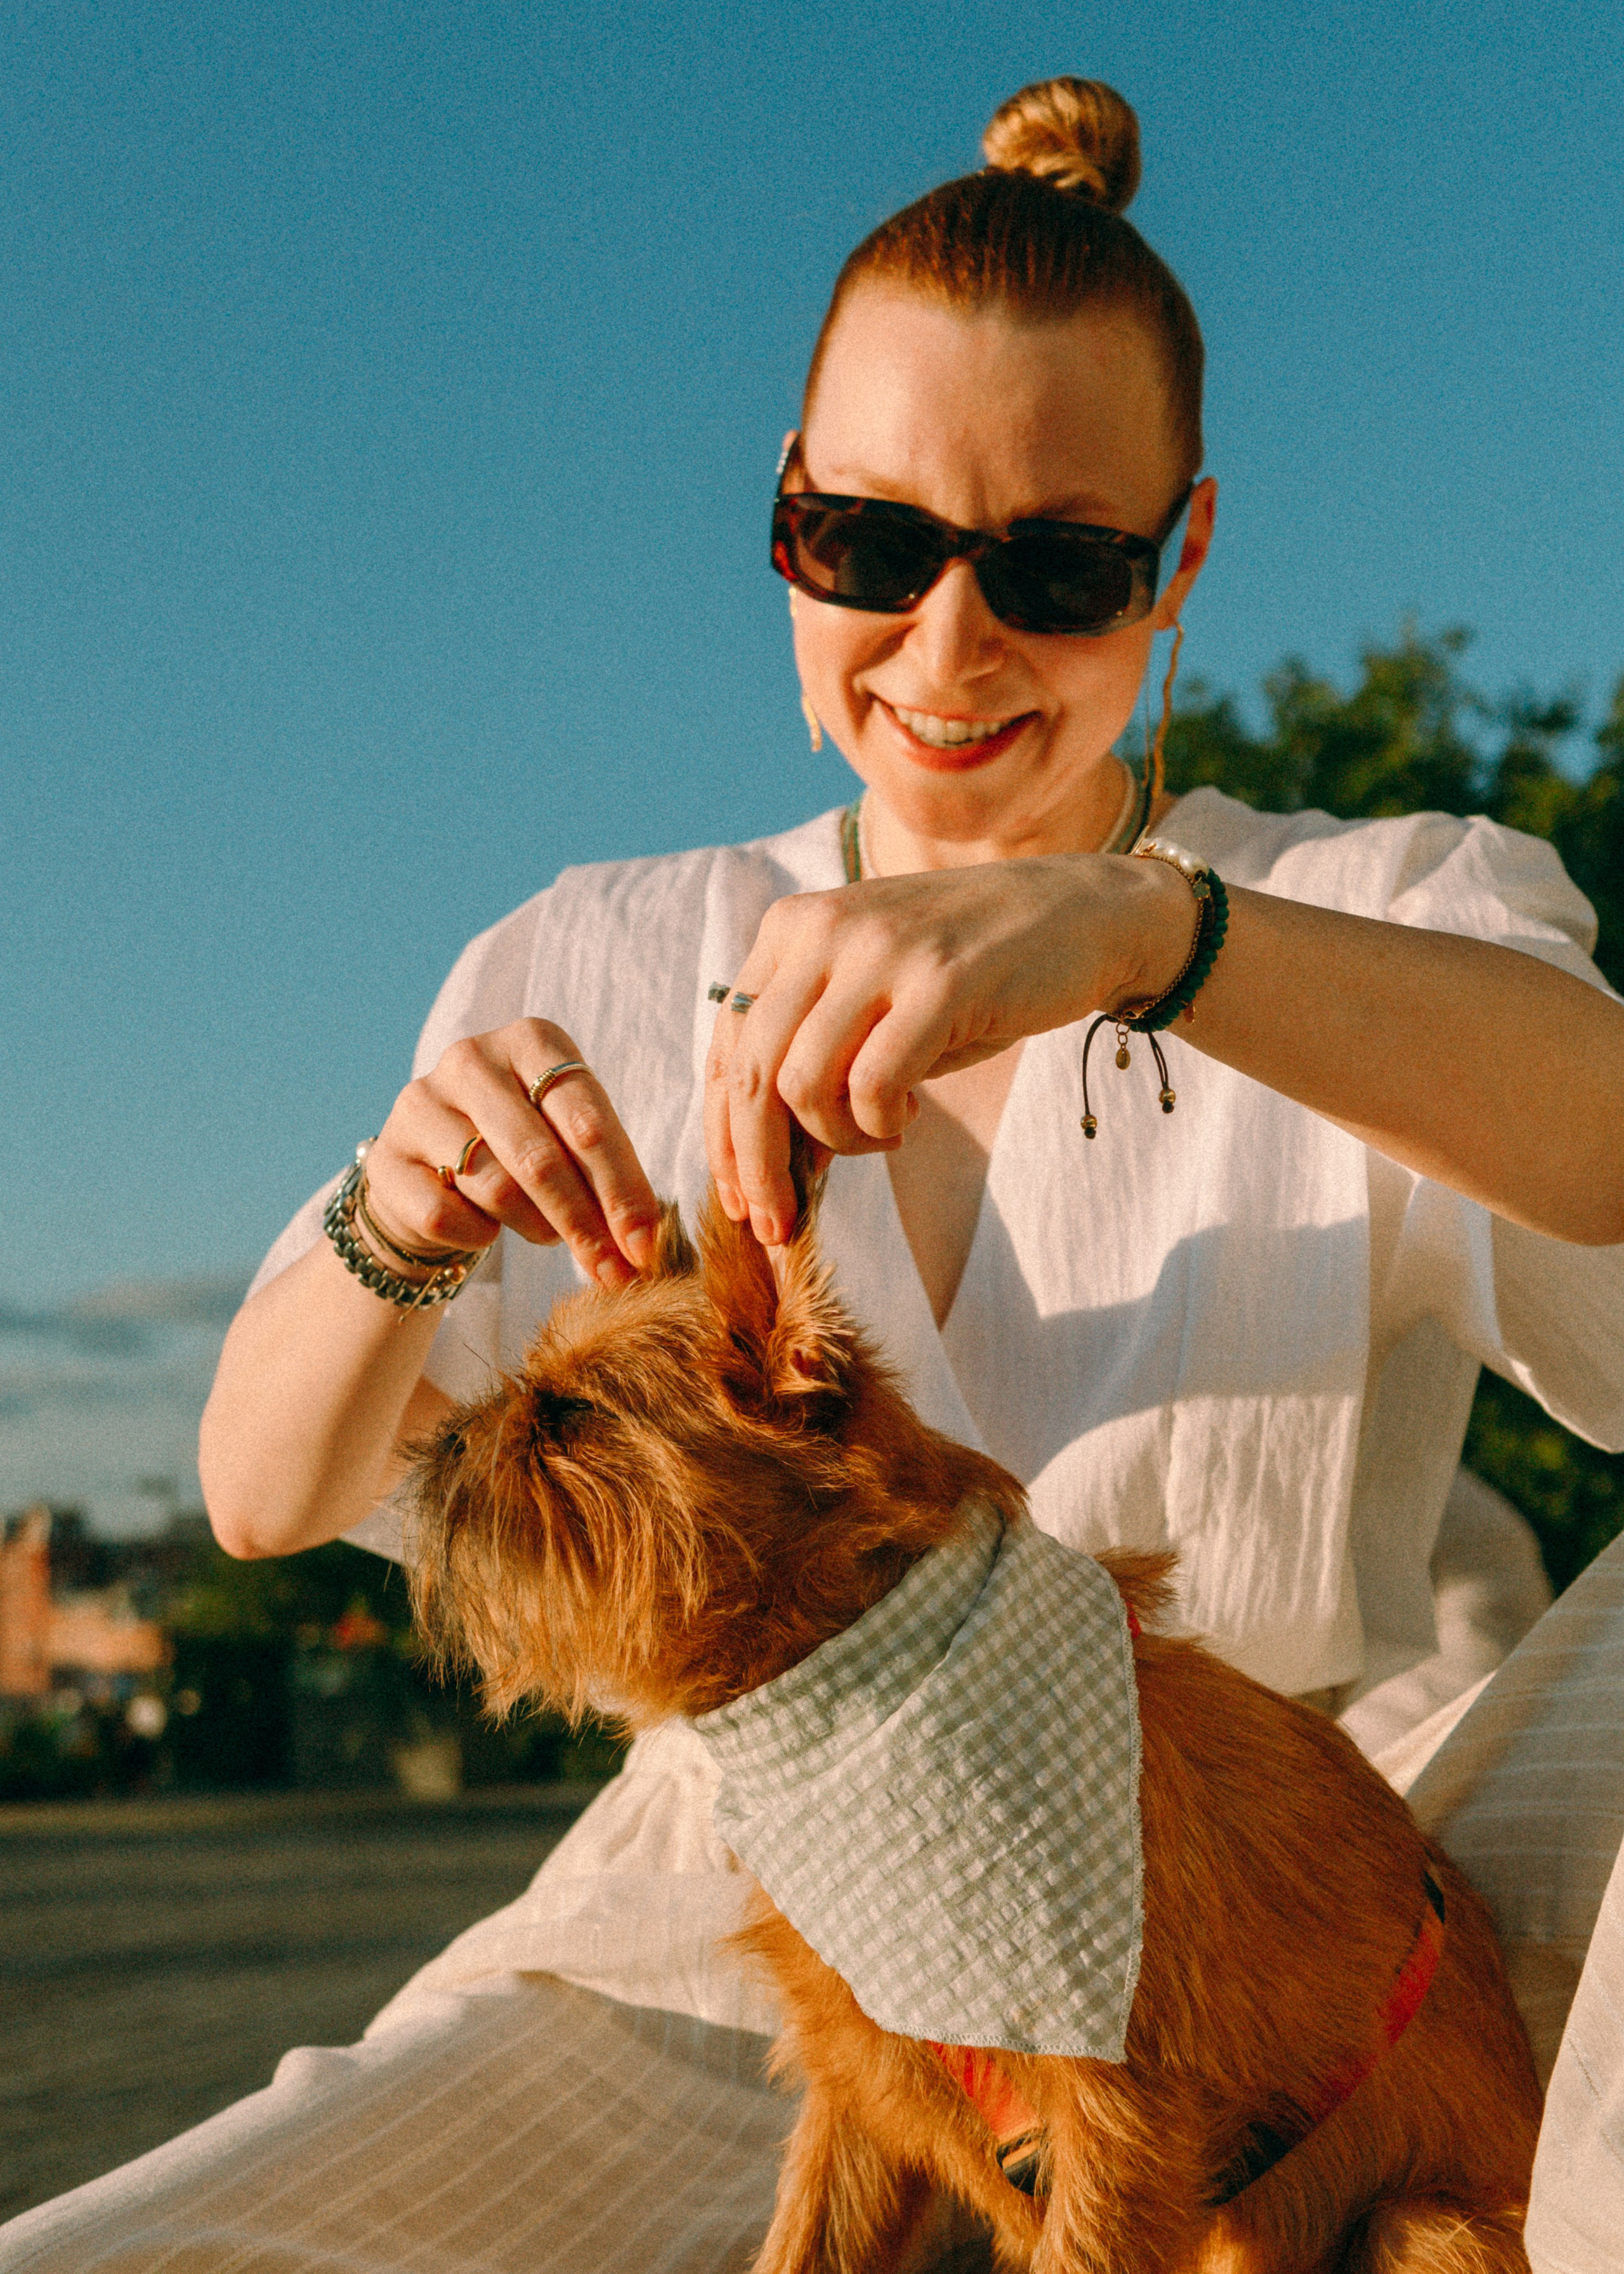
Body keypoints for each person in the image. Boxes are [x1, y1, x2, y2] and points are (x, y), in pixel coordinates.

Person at [6, 76, 1622, 2274]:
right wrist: (400, 1219)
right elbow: (263, 1495)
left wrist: (1159, 938)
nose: (949, 651)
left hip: (1282, 1968)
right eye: (869, 547)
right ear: (777, 512)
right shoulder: (605, 951)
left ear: (1187, 563)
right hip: (736, 1952)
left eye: (1056, 569)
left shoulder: (1370, 907)